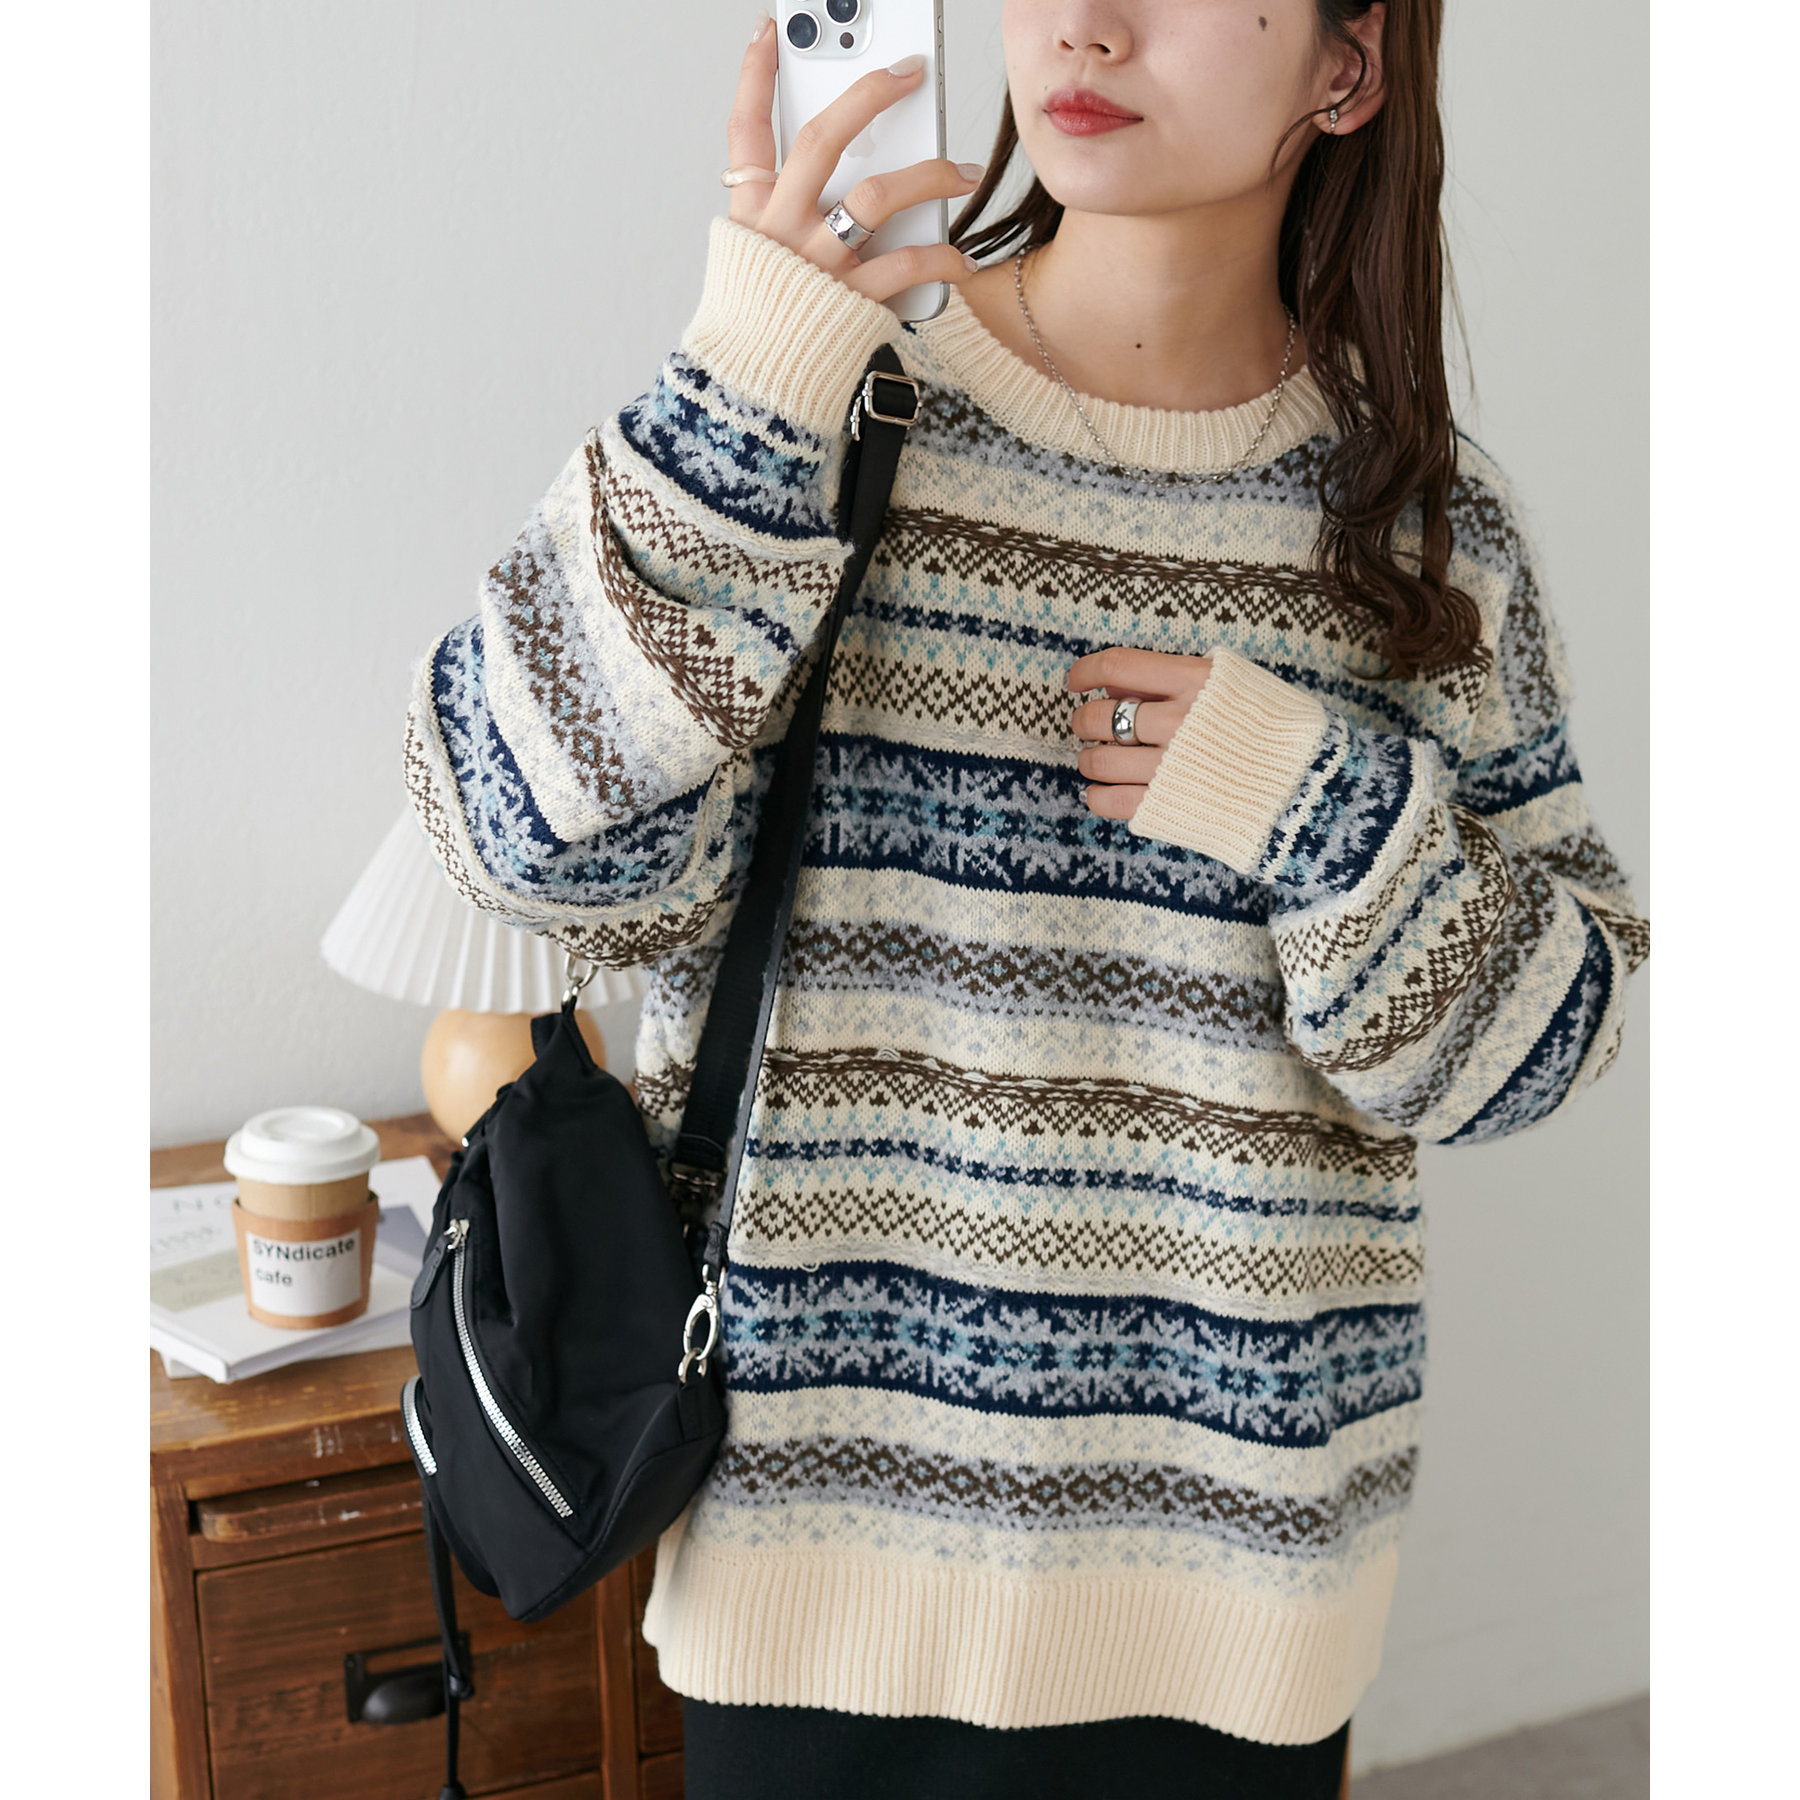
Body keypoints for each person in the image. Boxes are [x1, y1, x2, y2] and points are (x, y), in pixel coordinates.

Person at [402, 2, 1647, 1794]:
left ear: (1349, 65)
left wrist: (1317, 804)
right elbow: (507, 829)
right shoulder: (816, 422)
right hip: (817, 1586)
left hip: (1233, 1609)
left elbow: (1548, 1039)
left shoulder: (1420, 531)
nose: (1086, 22)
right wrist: (741, 385)